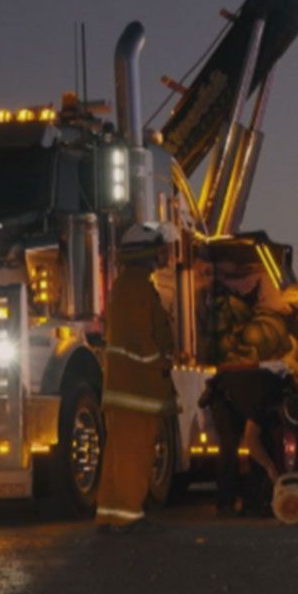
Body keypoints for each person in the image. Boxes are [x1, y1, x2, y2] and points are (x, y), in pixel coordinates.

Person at [93, 224, 177, 530]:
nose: (163, 255)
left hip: (125, 386)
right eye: (159, 249)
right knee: (135, 453)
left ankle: (110, 512)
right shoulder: (137, 288)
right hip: (138, 386)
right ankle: (129, 515)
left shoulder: (128, 285)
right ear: (146, 253)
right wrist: (162, 362)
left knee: (118, 452)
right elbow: (142, 338)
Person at [202, 367, 298, 517]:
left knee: (267, 446)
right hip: (226, 400)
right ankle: (225, 504)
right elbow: (251, 439)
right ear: (281, 412)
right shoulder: (263, 402)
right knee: (230, 447)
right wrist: (268, 465)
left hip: (253, 395)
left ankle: (254, 503)